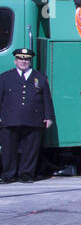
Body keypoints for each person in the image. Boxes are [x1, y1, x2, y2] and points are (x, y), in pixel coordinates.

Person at [0, 48, 53, 184]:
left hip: (33, 119)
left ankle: (27, 174)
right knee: (8, 150)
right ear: (15, 60)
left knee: (30, 149)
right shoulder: (5, 77)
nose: (23, 61)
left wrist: (48, 117)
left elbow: (47, 99)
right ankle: (8, 175)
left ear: (30, 61)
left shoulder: (40, 77)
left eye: (26, 59)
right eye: (21, 58)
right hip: (9, 119)